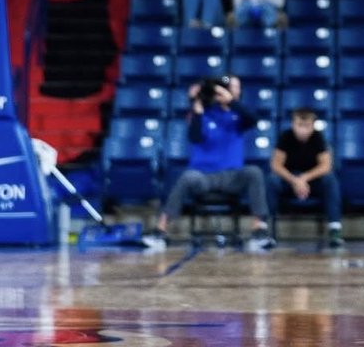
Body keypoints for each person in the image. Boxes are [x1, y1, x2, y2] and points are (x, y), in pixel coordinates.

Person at [142, 75, 275, 251]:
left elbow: (253, 120)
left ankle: (259, 230)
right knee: (187, 177)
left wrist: (231, 102)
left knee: (254, 172)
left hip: (231, 177)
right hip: (203, 177)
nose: (229, 92)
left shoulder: (238, 114)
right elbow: (194, 137)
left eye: (233, 88)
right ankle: (160, 230)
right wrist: (197, 108)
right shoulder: (202, 114)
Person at [268, 107, 344, 249]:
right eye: (299, 125)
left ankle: (335, 230)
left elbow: (326, 166)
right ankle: (267, 231)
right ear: (293, 124)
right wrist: (295, 180)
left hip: (311, 181)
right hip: (289, 180)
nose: (303, 130)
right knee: (272, 181)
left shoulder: (318, 137)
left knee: (330, 180)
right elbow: (276, 165)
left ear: (313, 126)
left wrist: (304, 178)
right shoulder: (286, 136)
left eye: (307, 126)